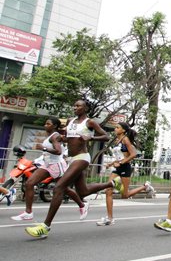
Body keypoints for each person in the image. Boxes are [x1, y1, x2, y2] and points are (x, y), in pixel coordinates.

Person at [25, 100, 115, 238]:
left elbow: (106, 136)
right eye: (75, 105)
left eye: (78, 106)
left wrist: (90, 137)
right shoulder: (70, 121)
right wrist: (62, 138)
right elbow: (68, 139)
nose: (75, 107)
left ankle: (45, 227)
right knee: (83, 192)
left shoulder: (90, 122)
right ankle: (110, 184)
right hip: (70, 158)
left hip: (82, 157)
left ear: (86, 108)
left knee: (59, 187)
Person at [12, 117, 87, 221]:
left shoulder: (55, 136)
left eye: (48, 124)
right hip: (47, 165)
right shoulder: (50, 136)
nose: (45, 125)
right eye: (45, 124)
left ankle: (82, 205)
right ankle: (28, 213)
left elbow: (58, 151)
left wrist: (43, 148)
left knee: (64, 189)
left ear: (54, 126)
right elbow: (47, 154)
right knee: (29, 183)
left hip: (57, 166)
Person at [96, 122, 155, 226]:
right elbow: (120, 156)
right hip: (117, 168)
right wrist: (112, 163)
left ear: (123, 130)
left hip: (125, 168)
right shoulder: (117, 140)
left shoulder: (125, 139)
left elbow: (134, 154)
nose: (115, 129)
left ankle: (145, 186)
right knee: (108, 190)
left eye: (117, 127)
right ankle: (110, 218)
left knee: (125, 195)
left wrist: (122, 162)